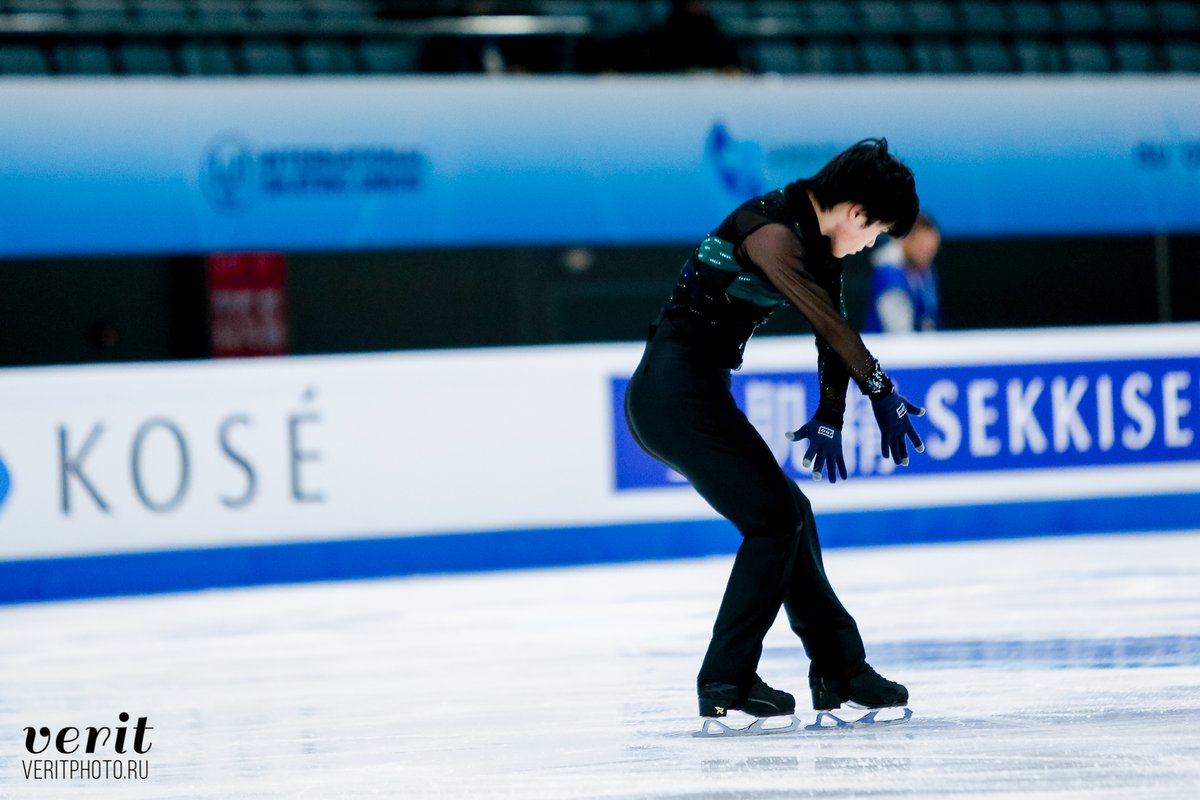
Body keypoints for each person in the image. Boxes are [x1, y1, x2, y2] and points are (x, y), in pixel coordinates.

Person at [623, 139, 926, 725]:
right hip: (670, 394)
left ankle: (840, 666)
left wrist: (833, 415)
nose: (869, 245)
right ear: (855, 213)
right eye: (876, 233)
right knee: (774, 520)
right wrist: (883, 391)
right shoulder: (772, 230)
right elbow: (827, 320)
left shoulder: (818, 244)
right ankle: (725, 679)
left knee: (791, 513)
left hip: (697, 391)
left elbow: (829, 336)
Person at [863, 213, 942, 333]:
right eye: (921, 248)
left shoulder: (924, 269)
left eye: (931, 250)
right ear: (904, 240)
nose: (927, 256)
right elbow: (899, 332)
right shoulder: (889, 276)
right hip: (885, 349)